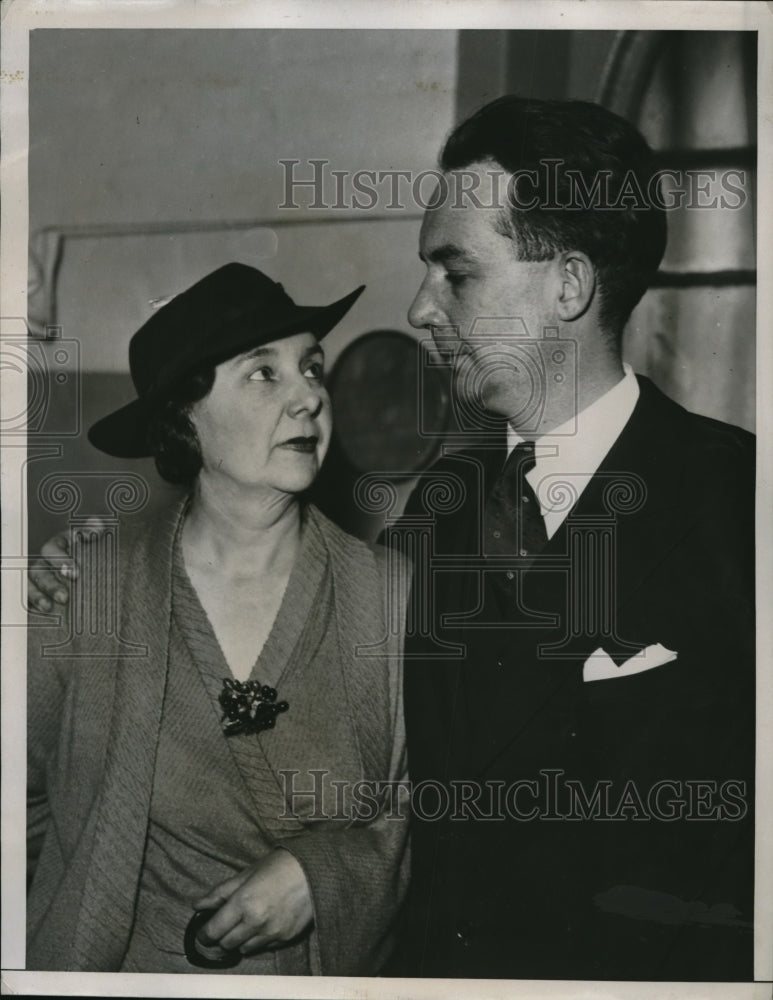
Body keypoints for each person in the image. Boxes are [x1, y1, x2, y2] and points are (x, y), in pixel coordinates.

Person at [386, 96, 755, 981]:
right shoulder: (427, 517)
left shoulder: (740, 503)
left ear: (569, 286)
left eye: (457, 274)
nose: (418, 307)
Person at [25, 263, 409, 974]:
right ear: (185, 417)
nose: (309, 400)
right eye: (264, 374)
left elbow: (432, 812)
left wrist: (324, 872)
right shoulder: (88, 589)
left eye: (313, 368)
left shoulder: (391, 596)